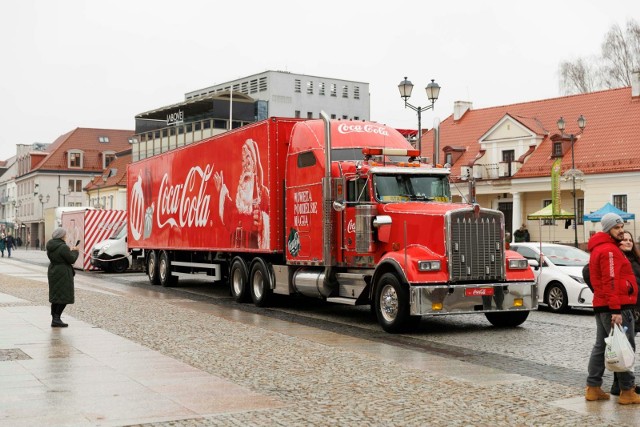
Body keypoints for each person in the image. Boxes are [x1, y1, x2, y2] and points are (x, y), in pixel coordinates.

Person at [585, 213, 640, 404]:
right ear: (608, 229)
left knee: (601, 346)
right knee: (625, 347)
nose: (621, 230)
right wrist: (616, 309)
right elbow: (610, 281)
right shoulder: (609, 251)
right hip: (617, 307)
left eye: (622, 226)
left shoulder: (600, 249)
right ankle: (627, 391)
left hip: (603, 305)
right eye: (617, 228)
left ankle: (593, 387)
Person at [214, 138, 270, 249]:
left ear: (254, 161)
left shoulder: (262, 193)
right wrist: (221, 190)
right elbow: (230, 216)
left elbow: (271, 221)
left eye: (248, 156)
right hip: (236, 245)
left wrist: (262, 221)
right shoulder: (240, 193)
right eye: (243, 160)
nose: (245, 163)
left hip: (253, 245)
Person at [610, 230, 640, 395]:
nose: (628, 242)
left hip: (637, 311)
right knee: (624, 348)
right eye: (624, 240)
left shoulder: (636, 260)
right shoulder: (616, 259)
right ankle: (621, 386)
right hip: (627, 311)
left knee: (628, 348)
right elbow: (588, 273)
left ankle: (626, 385)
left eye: (630, 240)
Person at [46, 228, 79, 328]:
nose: (66, 236)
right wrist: (75, 251)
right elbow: (71, 259)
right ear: (62, 236)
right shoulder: (63, 247)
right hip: (63, 272)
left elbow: (59, 256)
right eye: (65, 235)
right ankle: (56, 318)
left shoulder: (51, 245)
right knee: (64, 296)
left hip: (53, 270)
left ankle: (55, 319)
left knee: (56, 295)